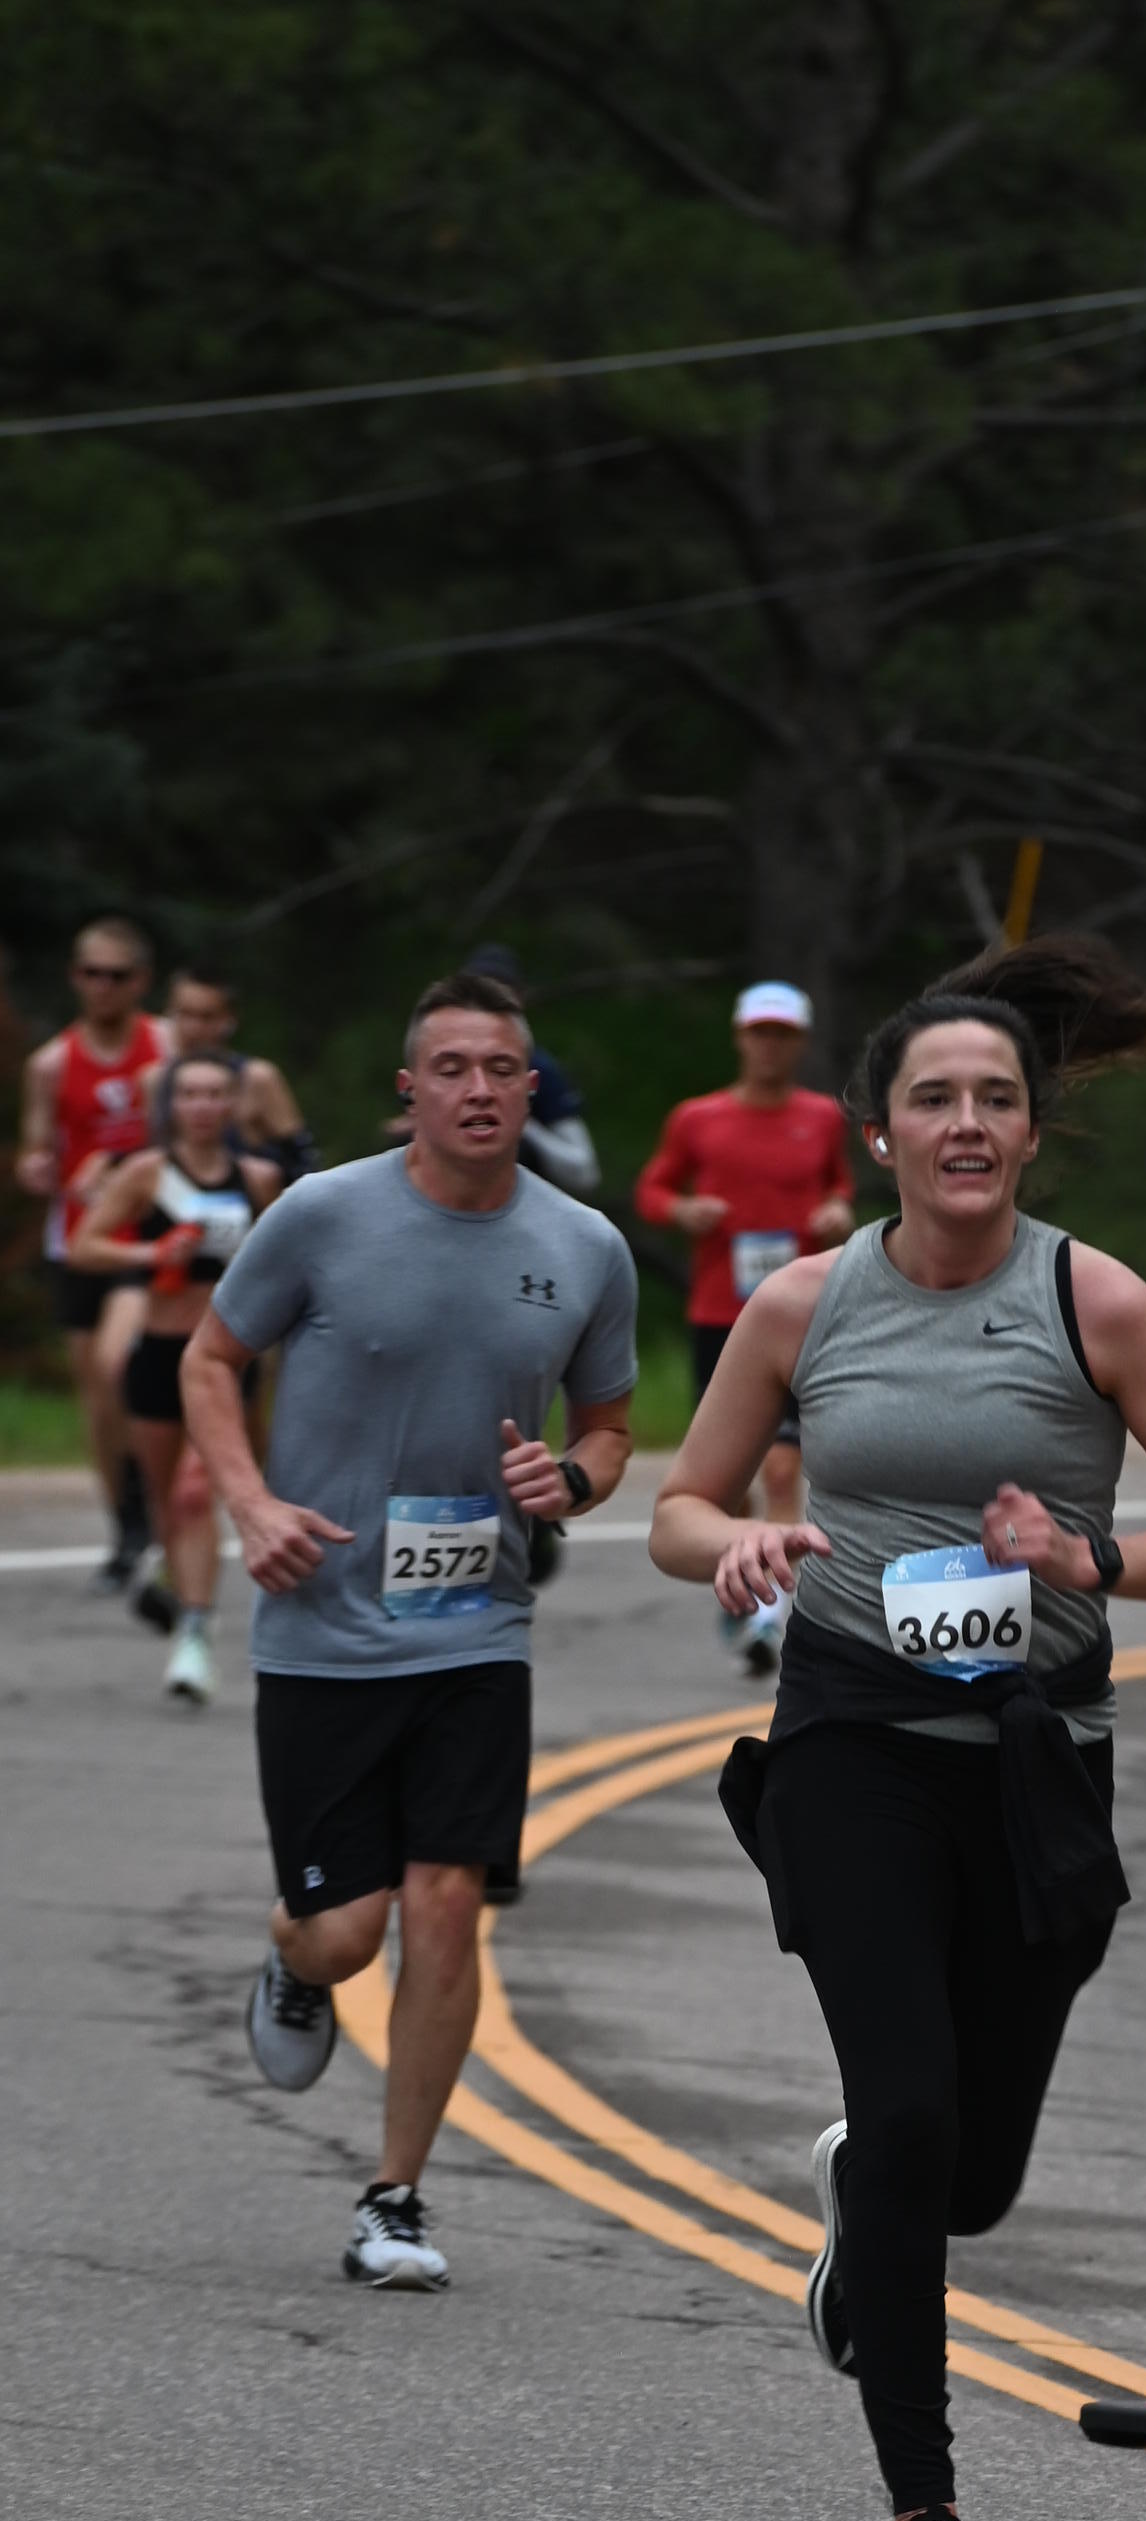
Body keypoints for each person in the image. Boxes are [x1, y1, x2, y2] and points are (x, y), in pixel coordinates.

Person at [647, 935, 1146, 2521]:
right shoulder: (805, 1303)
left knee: (966, 2178)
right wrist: (738, 1542)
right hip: (850, 1741)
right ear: (882, 1133)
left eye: (997, 1097)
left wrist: (1090, 1557)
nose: (968, 1123)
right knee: (915, 2114)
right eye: (936, 1098)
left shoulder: (1099, 1305)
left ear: (1032, 1133)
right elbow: (679, 1507)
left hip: (1034, 1764)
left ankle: (872, 2199)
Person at [181, 972, 638, 2289]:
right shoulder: (321, 1215)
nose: (478, 1090)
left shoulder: (585, 1247)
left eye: (501, 1069)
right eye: (451, 1068)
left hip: (478, 1628)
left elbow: (610, 1425)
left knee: (447, 1906)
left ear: (529, 1087)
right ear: (409, 1089)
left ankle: (396, 2199)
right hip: (321, 1627)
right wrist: (252, 1504)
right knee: (347, 1932)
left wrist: (575, 1478)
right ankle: (294, 1955)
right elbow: (211, 1361)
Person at [632, 981, 858, 1677]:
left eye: (782, 1035)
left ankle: (771, 1619)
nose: (770, 1046)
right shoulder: (698, 1119)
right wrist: (684, 1211)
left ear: (800, 1044)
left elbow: (840, 1187)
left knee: (784, 1464)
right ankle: (751, 1569)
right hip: (720, 1316)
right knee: (730, 1481)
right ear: (740, 1037)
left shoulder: (821, 1118)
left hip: (802, 1317)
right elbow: (652, 1189)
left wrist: (836, 1214)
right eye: (760, 1033)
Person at [69, 1052, 280, 1705]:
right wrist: (151, 1252)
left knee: (193, 1493)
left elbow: (287, 1262)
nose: (202, 1106)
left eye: (215, 1093)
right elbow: (84, 1245)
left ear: (233, 1104)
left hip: (226, 1361)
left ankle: (194, 1634)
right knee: (167, 1499)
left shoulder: (258, 1179)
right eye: (189, 1094)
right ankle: (176, 1576)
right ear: (172, 1105)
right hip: (160, 1354)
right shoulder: (147, 1174)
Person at [16, 918, 172, 1583]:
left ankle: (162, 1504)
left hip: (147, 1233)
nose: (102, 986)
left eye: (116, 974)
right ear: (75, 977)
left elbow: (193, 1124)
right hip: (79, 1240)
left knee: (122, 1366)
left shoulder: (165, 1046)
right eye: (91, 973)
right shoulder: (51, 1064)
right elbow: (36, 1145)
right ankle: (126, 1527)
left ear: (140, 981)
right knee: (99, 1395)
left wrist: (120, 1164)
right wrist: (35, 1168)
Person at [454, 942, 600, 1198]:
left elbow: (585, 1172)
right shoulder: (438, 1061)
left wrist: (523, 1125)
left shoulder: (541, 1070)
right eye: (477, 994)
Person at [149, 966, 316, 1186]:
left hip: (248, 1200)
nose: (193, 1027)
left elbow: (302, 1162)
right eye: (185, 1014)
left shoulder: (257, 1078)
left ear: (229, 1019)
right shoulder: (154, 1079)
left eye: (206, 1017)